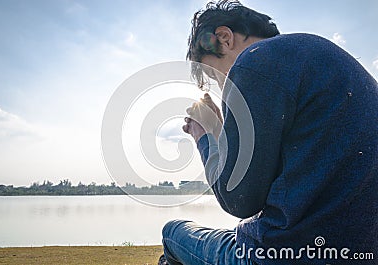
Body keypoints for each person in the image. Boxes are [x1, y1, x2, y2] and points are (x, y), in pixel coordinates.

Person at [160, 0, 378, 264]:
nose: (226, 87)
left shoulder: (254, 61)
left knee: (172, 231)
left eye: (220, 77)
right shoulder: (322, 58)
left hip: (282, 255)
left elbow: (238, 201)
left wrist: (205, 135)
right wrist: (223, 133)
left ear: (224, 39)